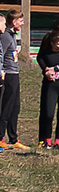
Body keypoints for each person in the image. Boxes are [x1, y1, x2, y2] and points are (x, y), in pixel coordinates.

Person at [0, 10, 19, 151]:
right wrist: (2, 71)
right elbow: (1, 55)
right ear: (14, 21)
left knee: (15, 107)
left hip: (15, 73)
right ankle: (1, 137)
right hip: (8, 75)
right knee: (6, 107)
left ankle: (13, 138)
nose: (23, 24)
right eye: (21, 21)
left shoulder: (12, 36)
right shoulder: (5, 37)